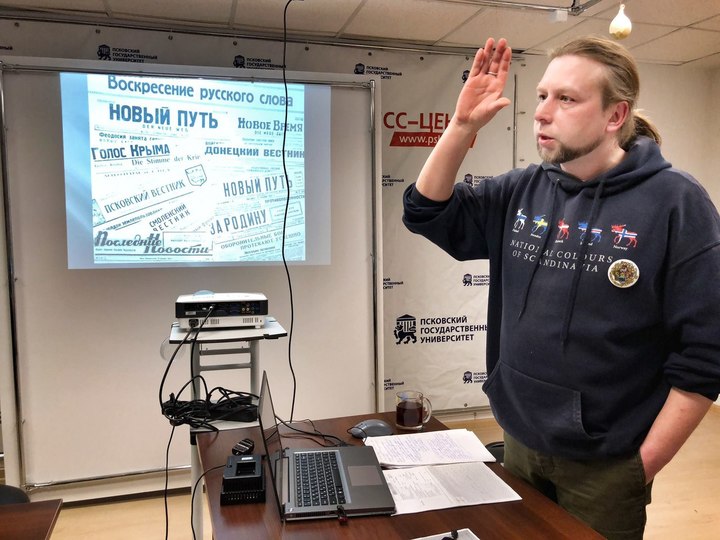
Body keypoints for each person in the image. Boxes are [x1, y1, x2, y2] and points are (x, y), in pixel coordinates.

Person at [402, 35, 720, 539]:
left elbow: (706, 351)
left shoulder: (676, 203)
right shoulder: (522, 189)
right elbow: (425, 210)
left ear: (615, 115)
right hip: (519, 442)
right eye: (542, 96)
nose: (542, 113)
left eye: (567, 99)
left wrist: (641, 466)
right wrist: (461, 127)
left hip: (607, 465)